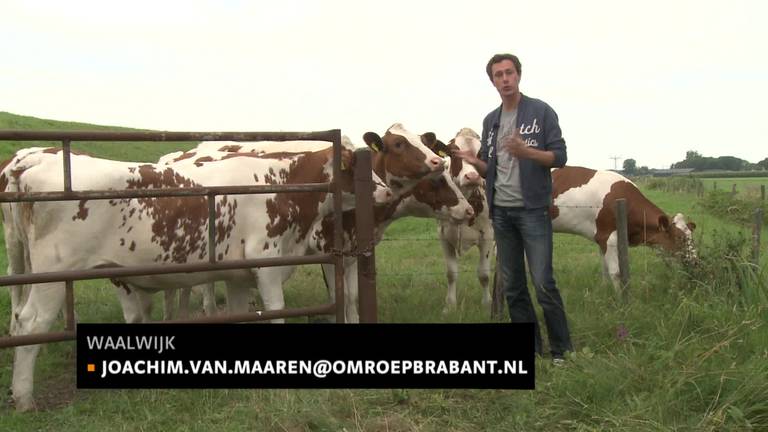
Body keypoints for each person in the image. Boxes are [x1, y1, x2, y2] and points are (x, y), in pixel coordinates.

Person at [454, 53, 573, 362]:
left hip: (532, 210)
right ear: (492, 81)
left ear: (518, 75)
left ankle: (562, 351)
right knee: (514, 287)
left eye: (509, 73)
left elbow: (559, 157)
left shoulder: (541, 112)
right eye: (498, 75)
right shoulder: (490, 121)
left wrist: (527, 151)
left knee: (543, 283)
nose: (504, 79)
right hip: (502, 214)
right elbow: (491, 169)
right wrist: (472, 161)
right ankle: (531, 350)